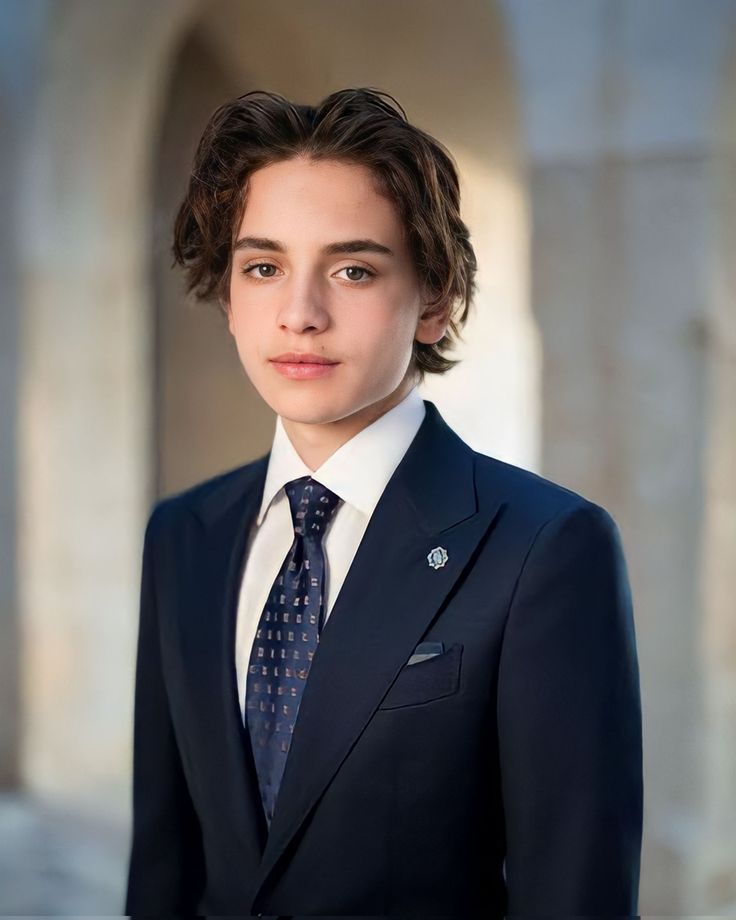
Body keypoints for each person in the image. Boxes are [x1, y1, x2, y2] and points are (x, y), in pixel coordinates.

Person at [124, 87, 643, 918]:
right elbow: (164, 867)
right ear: (227, 295)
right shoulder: (185, 535)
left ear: (434, 300)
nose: (300, 315)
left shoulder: (545, 550)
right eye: (264, 268)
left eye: (354, 269)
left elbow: (574, 894)